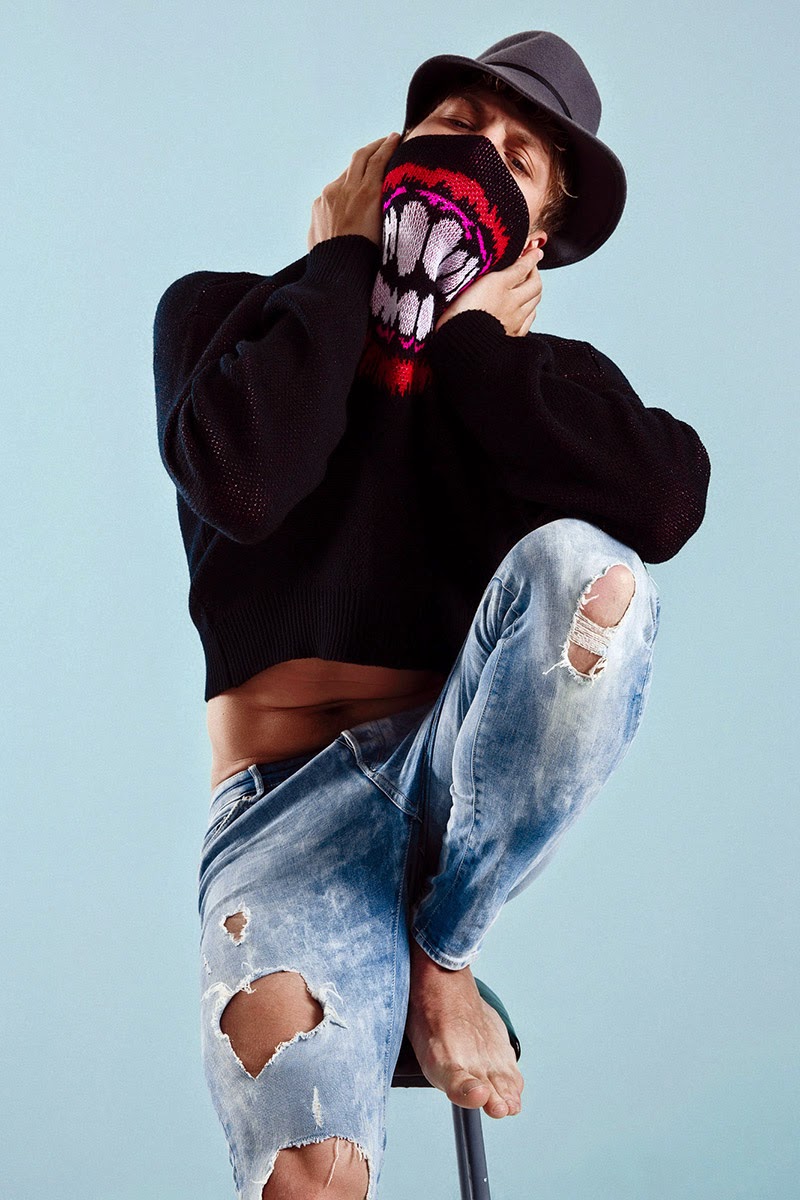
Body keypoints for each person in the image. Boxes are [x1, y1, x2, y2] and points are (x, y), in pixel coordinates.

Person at [152, 29, 710, 1200]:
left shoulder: (539, 383)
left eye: (518, 156)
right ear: (390, 151)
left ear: (537, 235)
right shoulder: (225, 318)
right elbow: (246, 484)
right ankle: (407, 969)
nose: (479, 154)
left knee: (594, 574)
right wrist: (340, 264)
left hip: (449, 790)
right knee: (306, 1181)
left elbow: (664, 503)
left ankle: (440, 958)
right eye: (457, 126)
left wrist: (470, 348)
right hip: (282, 822)